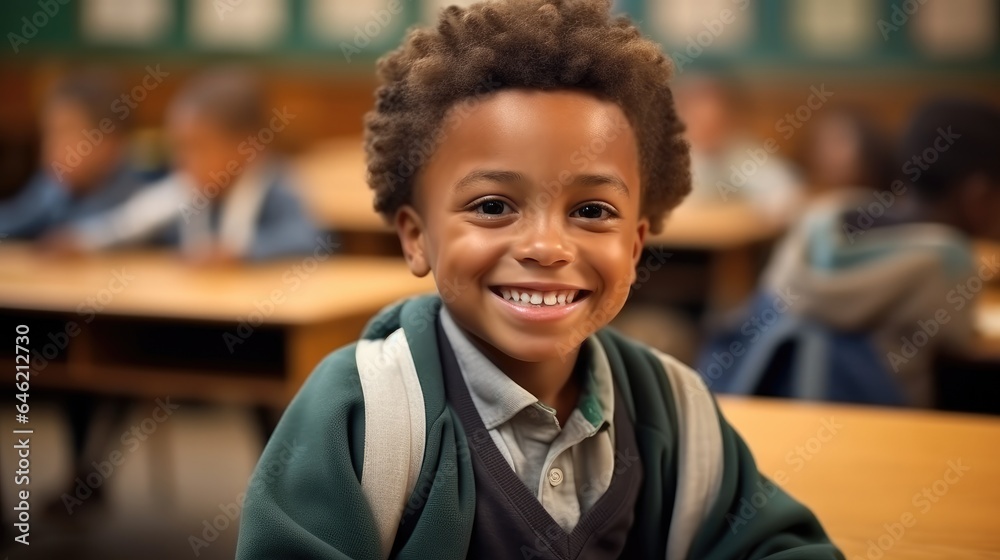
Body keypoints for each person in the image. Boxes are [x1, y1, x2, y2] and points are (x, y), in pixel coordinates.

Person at [236, 1, 842, 559]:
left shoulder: (675, 411)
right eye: (494, 206)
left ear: (635, 246)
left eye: (592, 211)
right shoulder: (366, 414)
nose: (548, 247)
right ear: (416, 236)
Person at [698, 97, 1000, 408]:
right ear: (977, 195)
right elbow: (963, 351)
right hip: (892, 433)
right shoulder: (950, 261)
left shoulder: (821, 220)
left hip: (766, 415)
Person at [63, 69, 321, 262]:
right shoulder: (182, 194)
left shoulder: (274, 189)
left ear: (247, 148)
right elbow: (127, 226)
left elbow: (309, 240)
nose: (181, 160)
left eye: (197, 147)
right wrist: (83, 241)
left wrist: (241, 253)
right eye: (178, 147)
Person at [0, 70, 156, 239]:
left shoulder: (144, 204)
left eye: (65, 132)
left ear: (110, 141)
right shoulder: (54, 189)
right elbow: (12, 221)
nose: (51, 146)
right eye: (48, 133)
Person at [674, 74, 803, 222]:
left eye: (716, 121)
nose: (706, 127)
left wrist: (750, 213)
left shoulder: (742, 152)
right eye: (697, 116)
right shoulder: (668, 153)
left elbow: (787, 190)